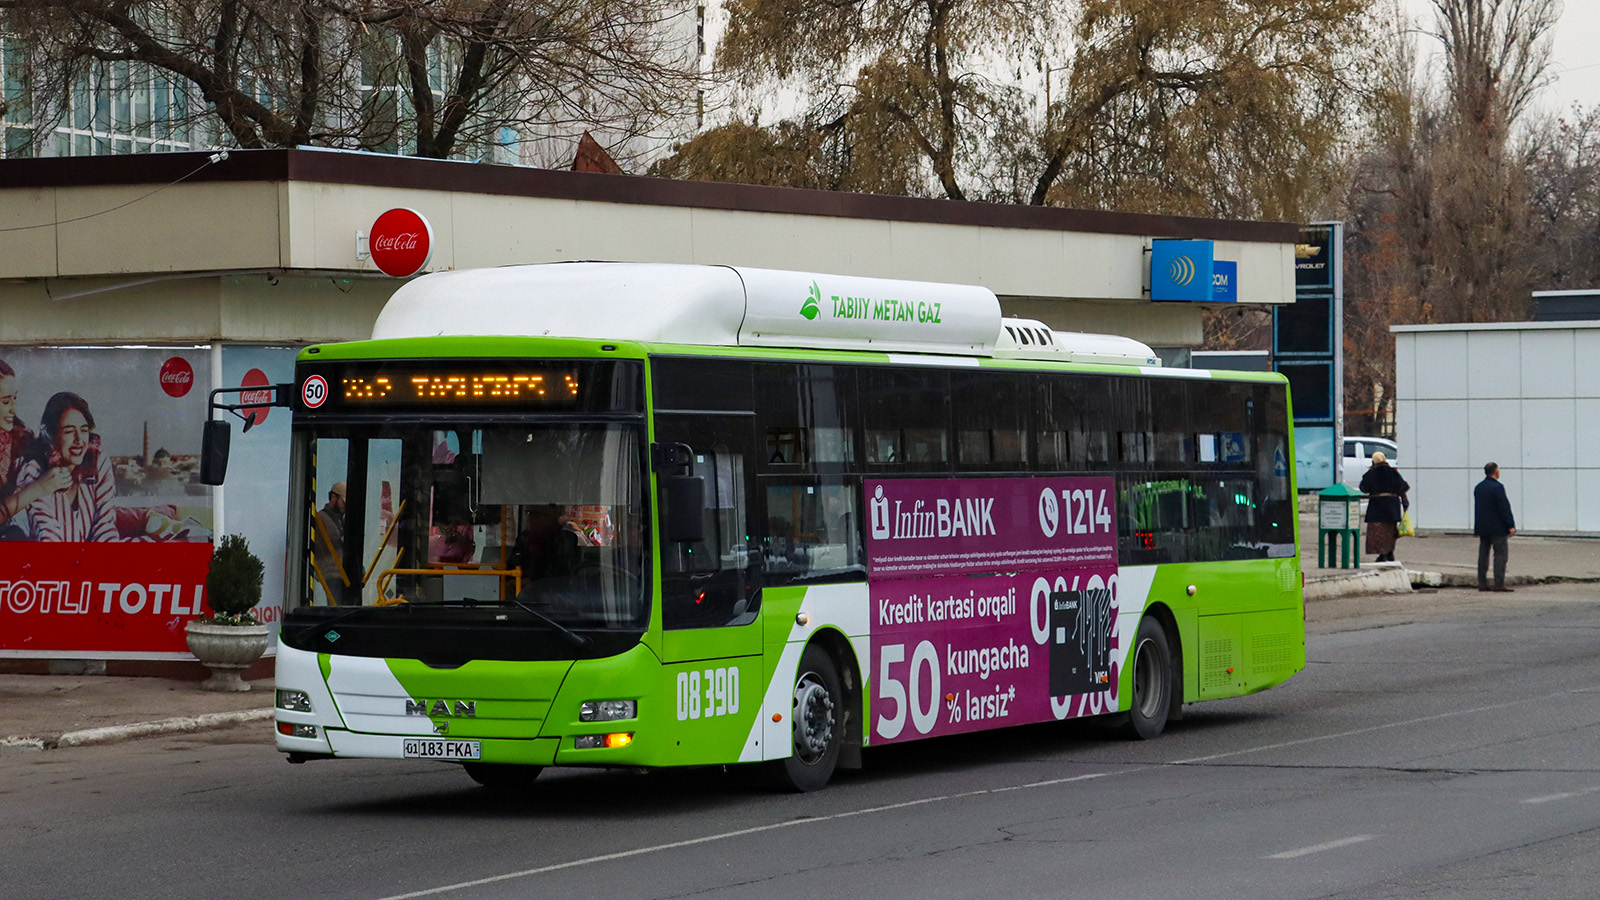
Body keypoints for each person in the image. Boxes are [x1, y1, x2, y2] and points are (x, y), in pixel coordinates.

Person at [13, 391, 118, 542]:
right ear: (50, 435)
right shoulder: (34, 471)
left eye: (83, 430)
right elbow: (48, 533)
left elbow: (105, 525)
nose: (79, 440)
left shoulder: (98, 461)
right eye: (69, 431)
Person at [0, 361, 72, 539]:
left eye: (15, 399)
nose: (13, 409)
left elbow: (48, 451)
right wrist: (38, 488)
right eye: (5, 401)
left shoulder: (19, 437)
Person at [1359, 450, 1409, 563]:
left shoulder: (1370, 474)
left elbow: (1364, 489)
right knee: (1390, 530)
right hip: (1392, 505)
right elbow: (1402, 488)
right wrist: (1405, 503)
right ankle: (1390, 552)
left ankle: (1382, 554)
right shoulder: (1393, 472)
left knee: (1378, 531)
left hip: (1377, 506)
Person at [1474, 461, 1517, 592]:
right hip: (1497, 528)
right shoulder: (1498, 488)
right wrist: (1510, 525)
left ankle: (1482, 582)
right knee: (1500, 555)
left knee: (1483, 554)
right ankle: (1499, 583)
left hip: (1483, 527)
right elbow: (1504, 507)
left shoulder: (1478, 487)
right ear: (1496, 472)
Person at [312, 482, 348, 592]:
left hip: (345, 573)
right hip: (331, 574)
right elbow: (322, 546)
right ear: (333, 497)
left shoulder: (342, 519)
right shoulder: (321, 519)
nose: (345, 506)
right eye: (343, 502)